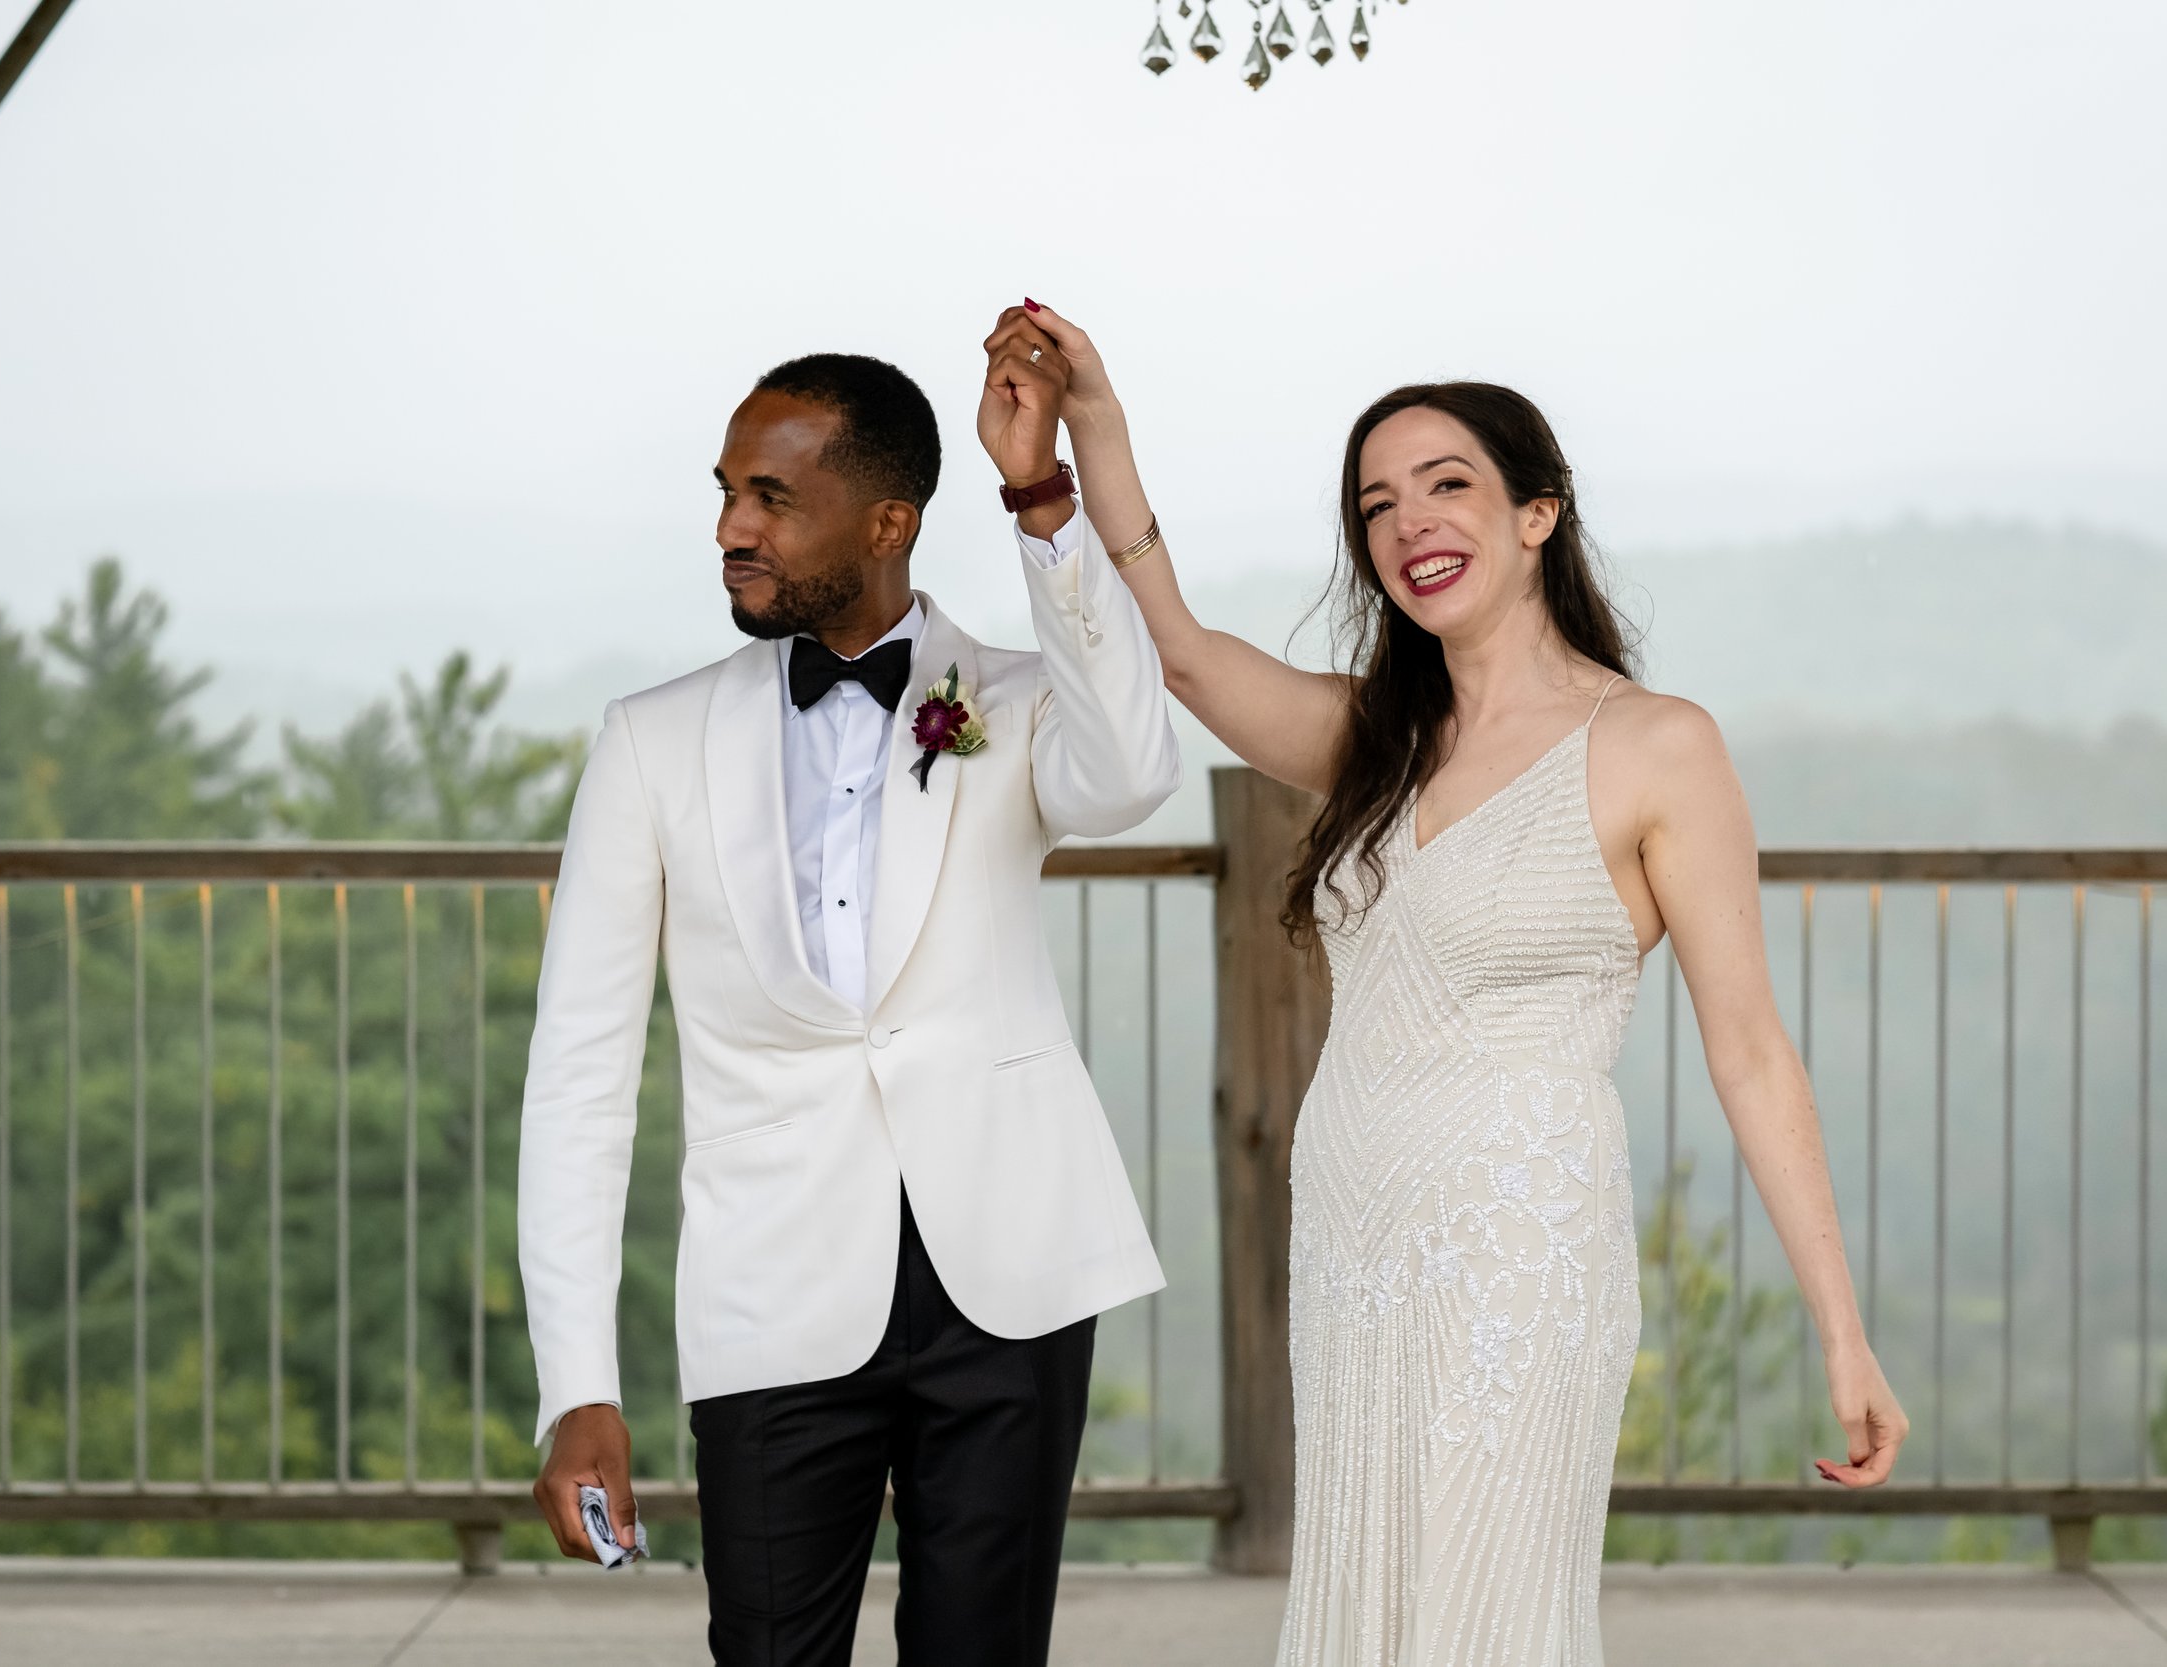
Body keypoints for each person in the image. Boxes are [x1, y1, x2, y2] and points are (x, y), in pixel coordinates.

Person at [994, 301, 1908, 1665]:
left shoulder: (1657, 746)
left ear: (1538, 514)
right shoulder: (1377, 738)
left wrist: (1845, 1334)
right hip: (1357, 1249)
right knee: (1366, 1615)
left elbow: (1753, 1053)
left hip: (1520, 1251)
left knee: (1486, 1619)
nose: (1408, 520)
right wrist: (1076, 445)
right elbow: (1177, 651)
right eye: (1377, 504)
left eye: (1448, 485)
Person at [517, 339, 1180, 1666]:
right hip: (771, 1292)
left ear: (887, 524)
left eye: (769, 498)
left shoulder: (1009, 698)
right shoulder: (649, 742)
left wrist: (1044, 503)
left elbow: (1131, 774)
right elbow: (581, 1073)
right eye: (725, 494)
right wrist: (575, 1386)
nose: (730, 530)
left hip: (1009, 1283)